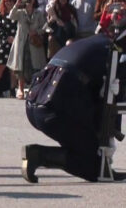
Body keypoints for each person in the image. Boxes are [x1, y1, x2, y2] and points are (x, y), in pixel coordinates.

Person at [22, 33, 126, 183]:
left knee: (85, 146)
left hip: (36, 102)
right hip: (57, 105)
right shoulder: (115, 55)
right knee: (94, 165)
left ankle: (41, 155)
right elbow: (111, 102)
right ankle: (38, 155)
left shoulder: (97, 44)